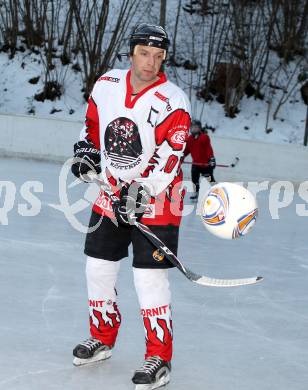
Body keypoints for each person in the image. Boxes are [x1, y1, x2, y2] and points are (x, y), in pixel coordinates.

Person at [71, 23, 191, 389]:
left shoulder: (174, 100)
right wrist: (86, 152)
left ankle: (159, 356)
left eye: (158, 56)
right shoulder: (107, 84)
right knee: (98, 267)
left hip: (158, 200)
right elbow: (92, 125)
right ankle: (103, 338)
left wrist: (141, 192)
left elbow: (171, 156)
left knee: (148, 278)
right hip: (110, 192)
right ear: (131, 51)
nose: (150, 61)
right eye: (144, 53)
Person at [184, 119, 216, 200]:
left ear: (199, 128)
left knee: (210, 179)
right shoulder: (190, 139)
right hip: (195, 164)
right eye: (192, 127)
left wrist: (211, 159)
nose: (194, 129)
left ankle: (217, 192)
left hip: (205, 164)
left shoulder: (204, 137)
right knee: (194, 180)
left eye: (196, 127)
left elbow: (208, 149)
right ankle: (196, 193)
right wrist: (181, 157)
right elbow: (187, 150)